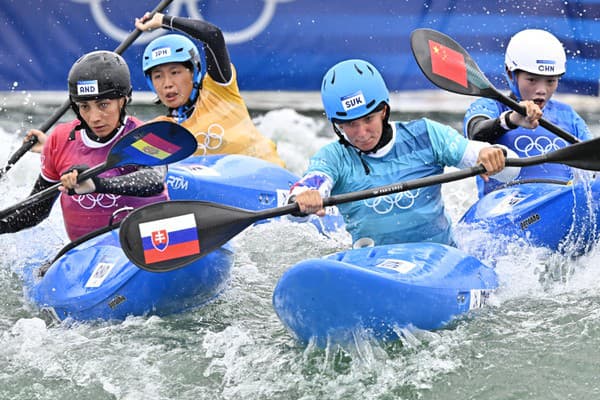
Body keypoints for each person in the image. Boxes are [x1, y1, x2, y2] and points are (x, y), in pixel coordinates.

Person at [289, 59, 517, 247]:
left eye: (368, 119)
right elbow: (310, 186)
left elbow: (509, 170)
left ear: (384, 111)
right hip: (371, 264)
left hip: (440, 258)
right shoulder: (333, 157)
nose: (361, 133)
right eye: (349, 124)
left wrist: (491, 154)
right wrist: (304, 197)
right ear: (336, 124)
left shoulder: (426, 134)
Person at [0, 51, 169, 241]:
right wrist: (4, 225)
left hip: (147, 243)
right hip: (87, 254)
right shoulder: (59, 139)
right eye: (84, 106)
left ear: (124, 100)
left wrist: (96, 184)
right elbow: (37, 210)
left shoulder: (146, 135)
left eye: (103, 104)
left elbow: (154, 180)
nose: (94, 117)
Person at [134, 12, 285, 167]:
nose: (167, 84)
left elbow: (212, 35)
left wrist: (164, 20)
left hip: (271, 181)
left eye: (175, 72)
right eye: (158, 76)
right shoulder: (161, 130)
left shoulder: (218, 90)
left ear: (193, 72)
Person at [464, 29, 591, 197]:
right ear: (510, 73)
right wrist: (511, 120)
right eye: (532, 80)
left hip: (559, 198)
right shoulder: (490, 105)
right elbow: (475, 134)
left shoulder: (568, 115)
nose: (542, 90)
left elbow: (593, 160)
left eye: (551, 81)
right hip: (505, 204)